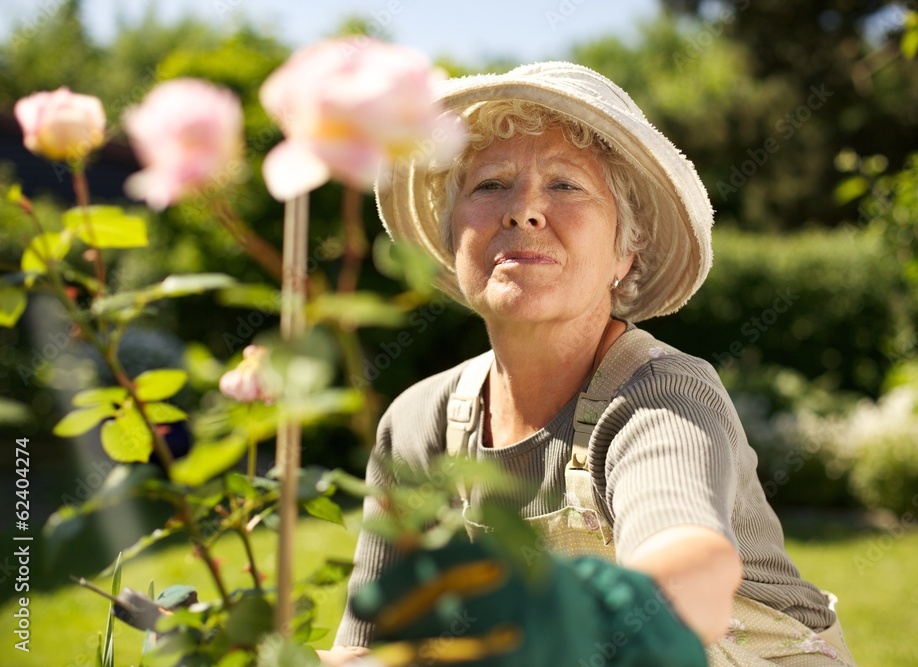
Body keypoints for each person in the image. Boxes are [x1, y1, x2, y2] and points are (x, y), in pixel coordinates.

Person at [318, 62, 857, 666]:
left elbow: (687, 576)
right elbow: (371, 647)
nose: (523, 210)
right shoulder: (419, 422)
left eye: (566, 185)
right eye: (490, 184)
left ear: (624, 254)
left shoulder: (660, 393)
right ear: (452, 241)